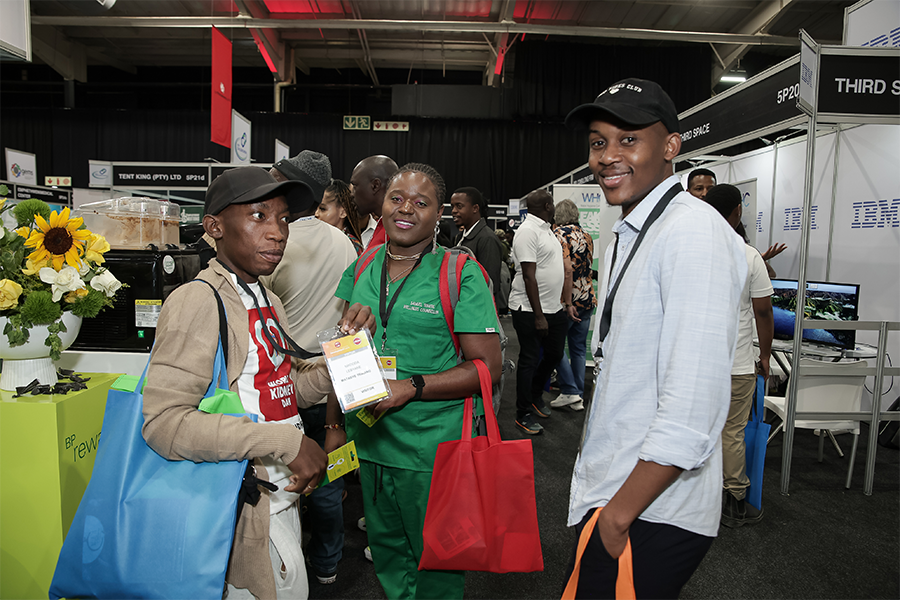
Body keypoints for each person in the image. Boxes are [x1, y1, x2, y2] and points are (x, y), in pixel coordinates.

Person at [141, 166, 374, 600]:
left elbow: (286, 387)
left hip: (278, 500)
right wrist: (285, 443)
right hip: (235, 508)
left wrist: (349, 354)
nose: (278, 232)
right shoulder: (198, 300)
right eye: (258, 216)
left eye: (283, 218)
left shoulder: (267, 297)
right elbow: (163, 424)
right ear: (214, 227)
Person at [563, 78, 748, 599]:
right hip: (620, 489)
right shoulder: (634, 231)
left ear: (670, 147)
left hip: (650, 507)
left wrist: (619, 515)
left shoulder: (692, 232)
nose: (607, 156)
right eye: (598, 142)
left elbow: (693, 403)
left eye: (628, 140)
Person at [335, 162, 502, 600]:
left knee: (438, 562)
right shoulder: (363, 265)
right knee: (388, 556)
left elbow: (487, 368)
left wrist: (411, 387)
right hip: (371, 442)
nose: (406, 208)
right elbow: (343, 347)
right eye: (397, 198)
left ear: (439, 213)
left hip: (431, 449)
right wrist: (334, 424)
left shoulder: (459, 272)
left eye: (420, 202)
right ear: (382, 205)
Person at [261, 151, 358, 585]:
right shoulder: (342, 241)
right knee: (330, 479)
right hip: (335, 379)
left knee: (283, 477)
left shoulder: (274, 242)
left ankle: (286, 564)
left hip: (286, 383)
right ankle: (328, 562)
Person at [703, 183, 774, 528]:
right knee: (732, 431)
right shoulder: (749, 256)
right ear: (737, 212)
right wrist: (766, 356)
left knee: (697, 428)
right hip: (736, 364)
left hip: (697, 362)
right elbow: (763, 312)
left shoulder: (691, 251)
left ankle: (691, 499)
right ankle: (734, 502)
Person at [509, 189, 575, 435]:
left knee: (554, 354)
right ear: (548, 206)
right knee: (529, 359)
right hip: (528, 309)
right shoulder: (528, 230)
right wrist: (538, 315)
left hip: (553, 307)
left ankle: (535, 395)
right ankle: (522, 413)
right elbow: (529, 275)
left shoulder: (547, 230)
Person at [686, 168, 787, 276]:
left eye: (710, 189)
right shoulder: (683, 224)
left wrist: (755, 259)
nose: (705, 193)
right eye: (699, 189)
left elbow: (770, 273)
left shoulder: (732, 222)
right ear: (688, 192)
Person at [549, 198, 597, 411]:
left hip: (568, 300)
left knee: (554, 346)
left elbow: (567, 270)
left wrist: (568, 302)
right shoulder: (586, 235)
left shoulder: (559, 235)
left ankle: (570, 391)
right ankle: (577, 391)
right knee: (578, 348)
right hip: (587, 297)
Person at [450, 186, 505, 312]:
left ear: (475, 208)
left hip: (477, 310)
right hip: (462, 307)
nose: (453, 211)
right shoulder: (460, 237)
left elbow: (490, 283)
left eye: (459, 206)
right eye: (452, 206)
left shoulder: (487, 238)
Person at [349, 155, 399, 249]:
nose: (351, 194)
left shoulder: (397, 233)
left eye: (355, 186)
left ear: (375, 186)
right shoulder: (384, 226)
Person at [316, 179, 364, 255]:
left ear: (343, 212)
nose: (316, 214)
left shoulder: (352, 246)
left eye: (322, 209)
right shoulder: (317, 238)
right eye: (315, 208)